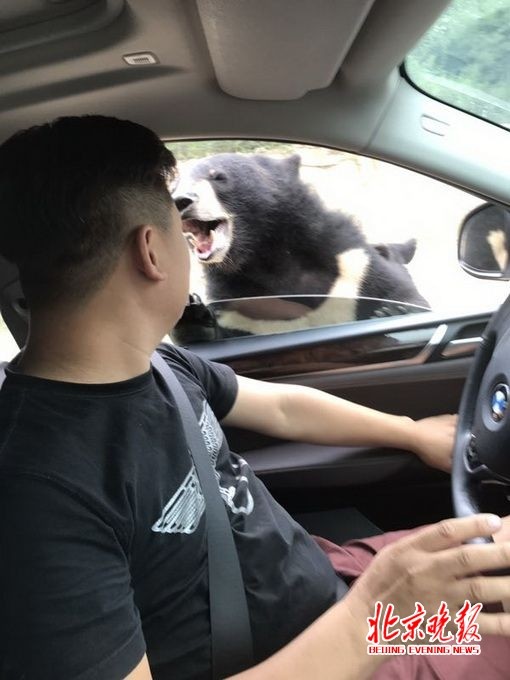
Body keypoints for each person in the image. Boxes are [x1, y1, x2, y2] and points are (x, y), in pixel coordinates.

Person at [0, 115, 509, 680]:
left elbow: (282, 407)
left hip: (329, 583)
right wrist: (374, 612)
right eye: (178, 227)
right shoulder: (35, 493)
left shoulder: (158, 364)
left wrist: (411, 433)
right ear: (151, 250)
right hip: (340, 648)